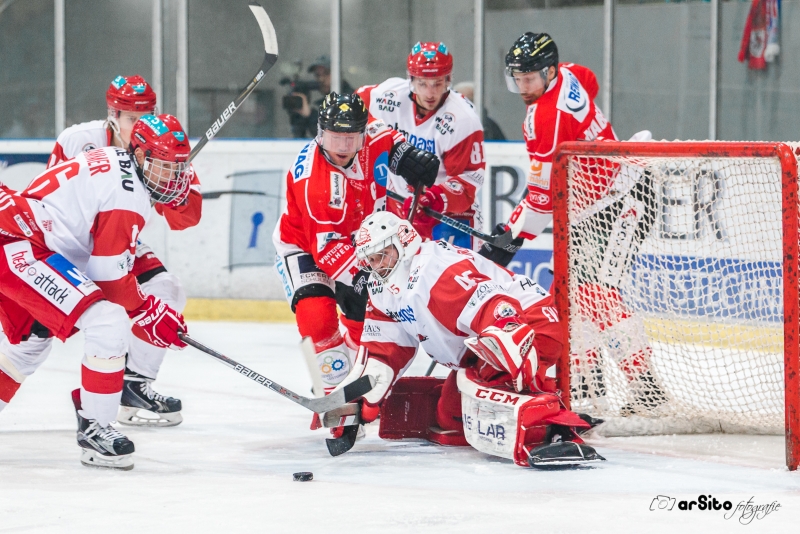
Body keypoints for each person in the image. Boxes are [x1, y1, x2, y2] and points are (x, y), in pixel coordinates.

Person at [325, 211, 604, 467]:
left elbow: (497, 307)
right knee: (450, 416)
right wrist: (357, 398)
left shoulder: (435, 271)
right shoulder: (381, 286)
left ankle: (554, 427)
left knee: (492, 394)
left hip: (529, 324)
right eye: (371, 260)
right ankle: (534, 399)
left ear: (404, 243)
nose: (378, 266)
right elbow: (384, 349)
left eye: (383, 255)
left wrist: (511, 344)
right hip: (484, 346)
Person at [479, 33, 664, 415]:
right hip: (591, 206)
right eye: (517, 78)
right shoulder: (570, 73)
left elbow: (543, 199)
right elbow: (590, 80)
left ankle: (647, 390)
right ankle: (587, 385)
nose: (522, 87)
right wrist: (511, 232)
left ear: (549, 72)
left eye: (529, 78)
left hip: (619, 200)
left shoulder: (545, 117)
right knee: (570, 297)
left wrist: (511, 238)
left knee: (595, 293)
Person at [0, 114, 191, 470]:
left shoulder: (120, 162)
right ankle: (96, 428)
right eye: (166, 167)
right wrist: (148, 311)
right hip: (19, 242)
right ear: (140, 155)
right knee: (106, 320)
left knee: (29, 345)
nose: (175, 177)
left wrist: (146, 309)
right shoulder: (128, 196)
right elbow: (109, 281)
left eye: (179, 167)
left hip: (23, 235)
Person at [47, 75, 200, 427]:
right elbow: (54, 200)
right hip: (72, 241)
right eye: (132, 118)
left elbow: (187, 219)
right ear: (113, 115)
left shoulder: (162, 145)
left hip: (117, 237)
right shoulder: (77, 140)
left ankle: (134, 383)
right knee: (32, 337)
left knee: (167, 289)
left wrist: (171, 183)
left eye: (146, 116)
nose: (138, 124)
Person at [272, 92, 438, 397]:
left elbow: (384, 133)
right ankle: (331, 391)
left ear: (362, 133)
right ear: (321, 134)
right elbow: (327, 251)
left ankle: (355, 372)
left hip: (362, 238)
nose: (343, 147)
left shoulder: (370, 133)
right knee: (316, 316)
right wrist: (363, 280)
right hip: (305, 246)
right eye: (336, 139)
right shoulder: (315, 184)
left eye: (350, 139)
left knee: (368, 323)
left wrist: (405, 153)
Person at [357, 42, 485, 249]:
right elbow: (352, 110)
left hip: (447, 215)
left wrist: (435, 198)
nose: (429, 93)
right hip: (397, 208)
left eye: (437, 83)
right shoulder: (387, 97)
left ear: (448, 80)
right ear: (411, 79)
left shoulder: (463, 119)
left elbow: (468, 180)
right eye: (422, 84)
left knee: (454, 270)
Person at [287, 55, 354, 138]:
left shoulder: (351, 100)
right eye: (317, 75)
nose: (321, 79)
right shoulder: (325, 103)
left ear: (338, 74)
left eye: (326, 73)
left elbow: (334, 136)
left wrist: (309, 114)